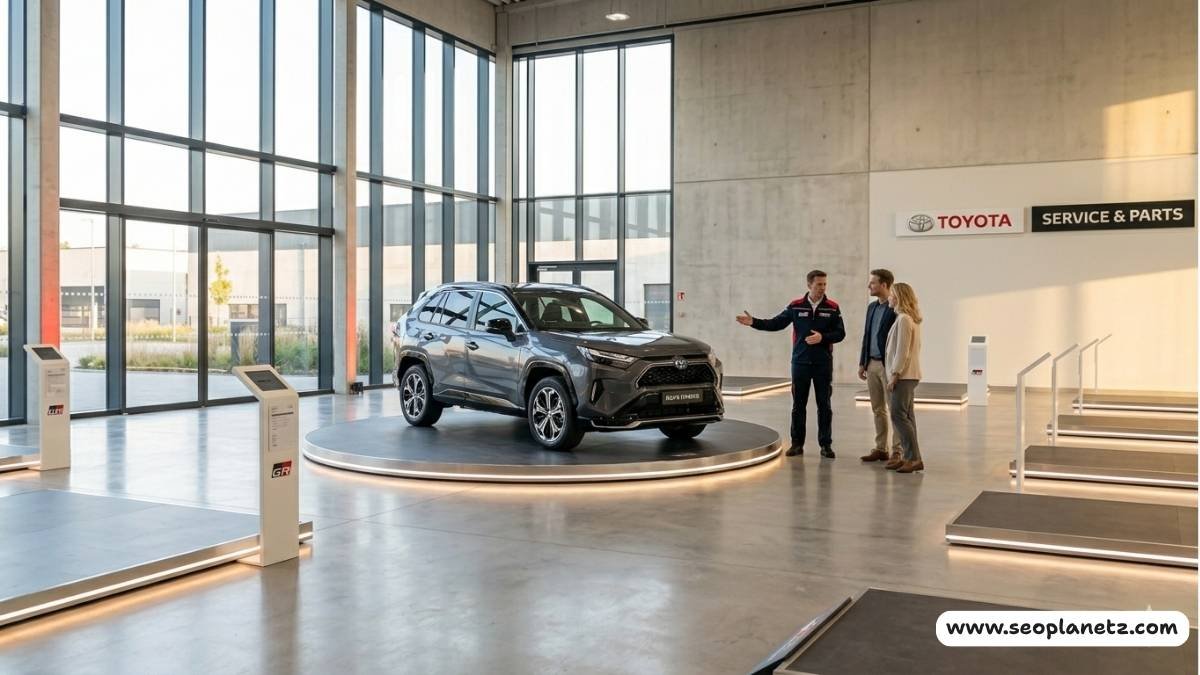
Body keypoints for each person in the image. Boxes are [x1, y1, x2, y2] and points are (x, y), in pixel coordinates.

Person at [736, 270, 846, 458]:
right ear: (809, 285)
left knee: (824, 406)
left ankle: (826, 445)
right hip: (800, 364)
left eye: (825, 284)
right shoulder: (795, 306)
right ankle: (796, 444)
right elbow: (776, 323)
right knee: (798, 406)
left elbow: (840, 333)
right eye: (819, 284)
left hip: (823, 365)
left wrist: (822, 337)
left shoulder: (832, 307)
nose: (823, 288)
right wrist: (754, 322)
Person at [858, 269, 900, 464]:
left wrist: (897, 370)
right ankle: (881, 448)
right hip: (871, 363)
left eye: (873, 283)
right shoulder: (871, 307)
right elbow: (867, 335)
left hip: (888, 366)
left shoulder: (895, 308)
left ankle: (897, 451)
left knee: (895, 410)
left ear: (884, 285)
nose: (869, 286)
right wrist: (862, 362)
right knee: (877, 409)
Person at [884, 282, 924, 473]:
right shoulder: (908, 319)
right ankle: (912, 457)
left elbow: (902, 352)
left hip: (903, 376)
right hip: (908, 375)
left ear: (899, 297)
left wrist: (894, 374)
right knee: (906, 416)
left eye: (892, 294)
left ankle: (913, 458)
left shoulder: (904, 320)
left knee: (898, 415)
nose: (889, 298)